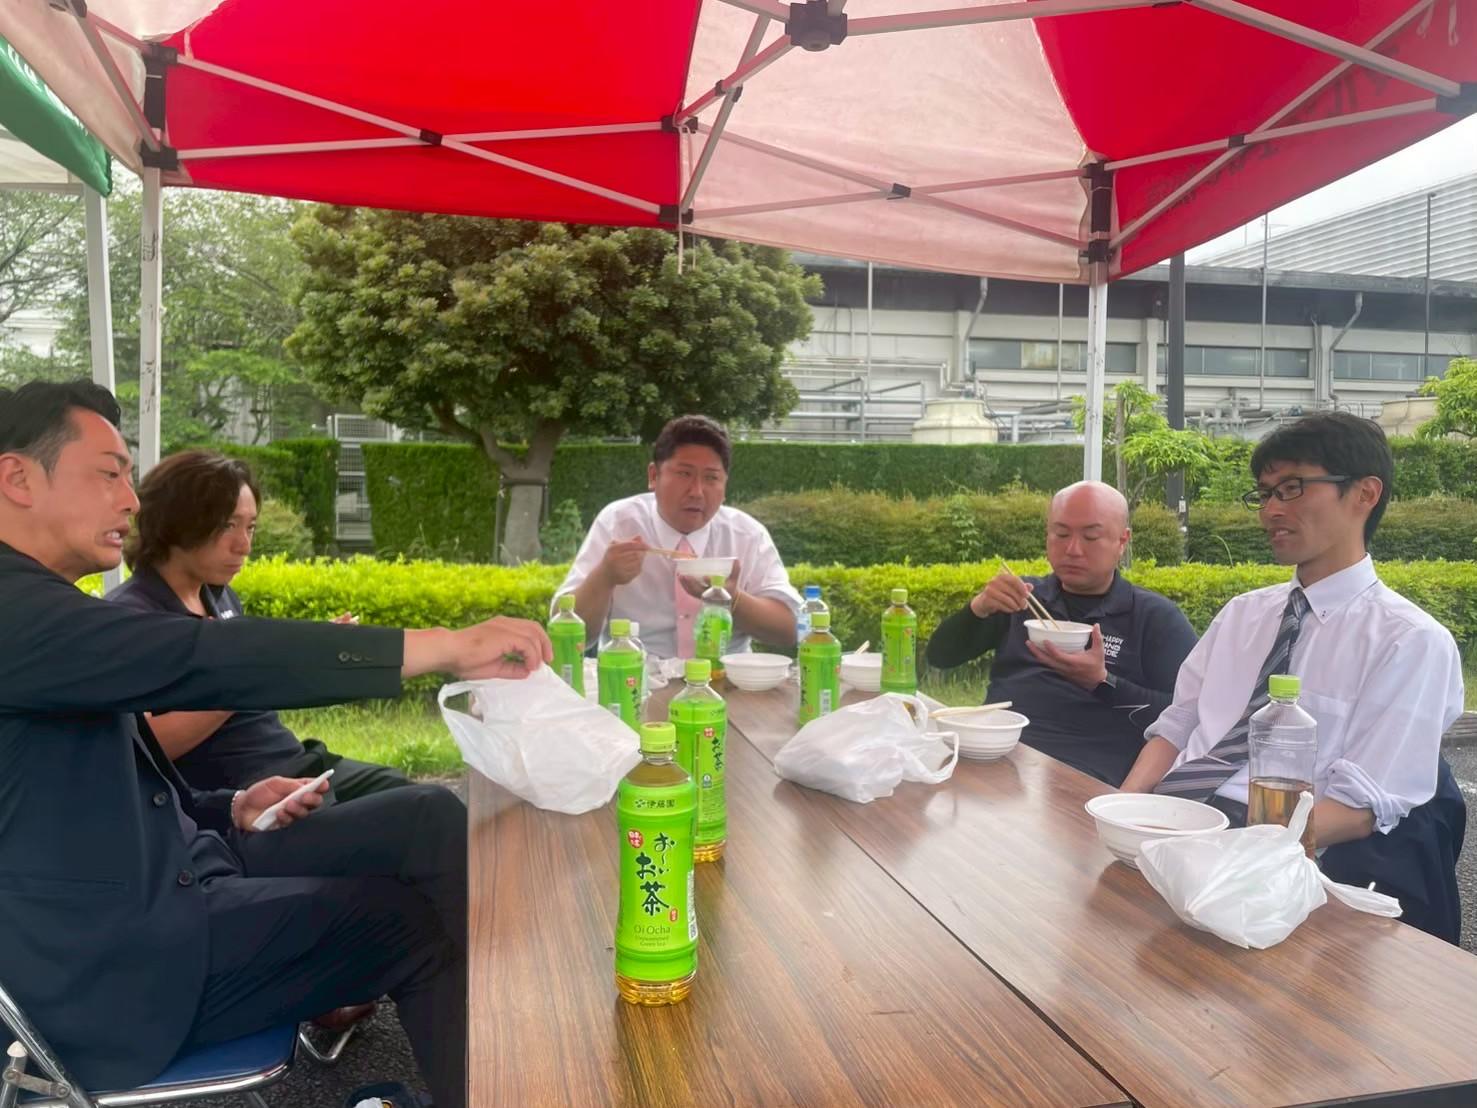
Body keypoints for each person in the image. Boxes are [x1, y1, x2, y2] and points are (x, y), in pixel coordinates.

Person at [0, 381, 553, 1108]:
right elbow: (209, 658)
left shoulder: (45, 615)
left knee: (424, 831)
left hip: (172, 893)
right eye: (109, 474)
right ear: (18, 478)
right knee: (417, 927)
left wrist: (229, 803)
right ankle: (532, 1074)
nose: (130, 501)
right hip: (117, 976)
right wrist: (444, 646)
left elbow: (91, 793)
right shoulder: (17, 614)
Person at [1119, 413, 1465, 936]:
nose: (1271, 511)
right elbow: (1178, 725)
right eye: (1265, 494)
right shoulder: (1242, 614)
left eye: (1293, 489)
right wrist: (1124, 810)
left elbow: (1363, 808)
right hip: (1173, 822)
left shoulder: (1410, 641)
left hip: (1274, 854)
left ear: (1365, 494)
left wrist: (1234, 852)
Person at [106, 449, 407, 799]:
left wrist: (312, 654)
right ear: (176, 521)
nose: (244, 546)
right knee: (419, 808)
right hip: (247, 794)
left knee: (410, 793)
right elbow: (139, 747)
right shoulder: (132, 617)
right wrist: (244, 680)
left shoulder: (220, 597)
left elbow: (261, 682)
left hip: (297, 762)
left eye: (250, 527)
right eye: (227, 525)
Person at [925, 481, 1197, 786]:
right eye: (1061, 534)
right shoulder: (1024, 598)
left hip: (1082, 776)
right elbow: (940, 657)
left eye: (1091, 536)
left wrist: (1102, 683)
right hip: (994, 757)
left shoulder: (1153, 617)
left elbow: (1187, 715)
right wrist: (979, 608)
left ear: (1122, 541)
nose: (1073, 550)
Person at [556, 414, 800, 657]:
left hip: (725, 676)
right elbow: (567, 629)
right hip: (637, 672)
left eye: (711, 478)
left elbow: (791, 630)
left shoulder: (746, 535)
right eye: (684, 474)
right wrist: (605, 576)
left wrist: (732, 599)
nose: (697, 492)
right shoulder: (619, 524)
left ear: (725, 485)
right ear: (654, 476)